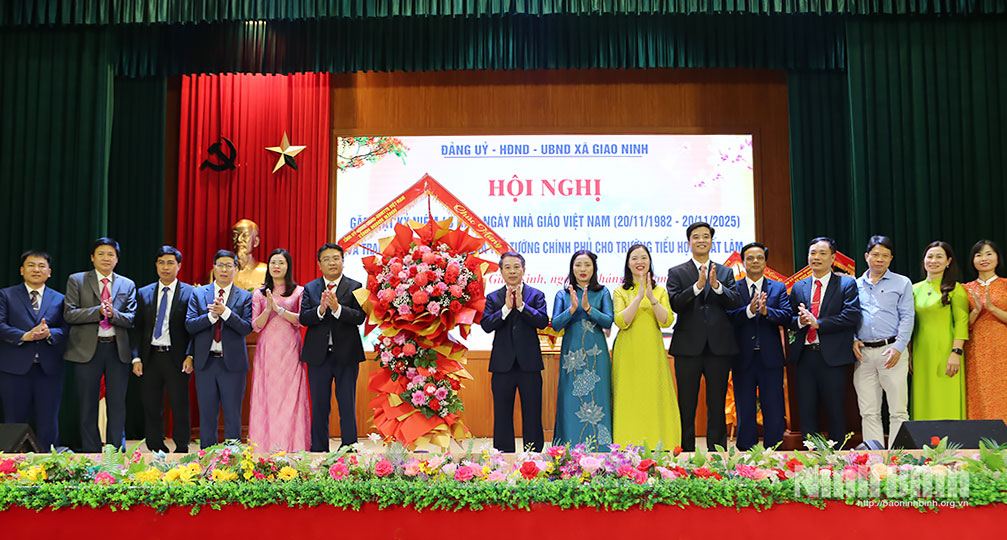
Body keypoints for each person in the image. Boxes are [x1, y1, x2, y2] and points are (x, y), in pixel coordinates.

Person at [666, 221, 741, 451]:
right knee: (686, 403)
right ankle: (685, 451)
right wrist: (697, 287)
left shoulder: (725, 272)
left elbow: (734, 302)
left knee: (717, 403)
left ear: (711, 241)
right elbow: (675, 304)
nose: (701, 240)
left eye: (706, 236)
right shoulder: (677, 272)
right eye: (696, 237)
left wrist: (717, 286)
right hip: (688, 346)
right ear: (689, 242)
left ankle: (717, 451)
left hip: (719, 347)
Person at [64, 238, 137, 452]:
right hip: (87, 350)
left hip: (117, 350)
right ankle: (91, 451)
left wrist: (113, 314)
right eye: (101, 254)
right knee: (88, 405)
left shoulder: (127, 284)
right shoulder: (77, 280)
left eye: (110, 254)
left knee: (117, 405)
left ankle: (116, 452)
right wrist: (97, 312)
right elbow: (69, 313)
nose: (106, 258)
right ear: (92, 257)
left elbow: (131, 318)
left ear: (117, 259)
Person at [788, 237, 861, 445]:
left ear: (833, 257)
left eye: (822, 253)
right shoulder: (799, 287)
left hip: (834, 357)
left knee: (835, 409)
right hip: (805, 356)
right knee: (806, 409)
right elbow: (789, 319)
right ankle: (810, 454)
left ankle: (837, 454)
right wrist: (801, 322)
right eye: (812, 253)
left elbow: (851, 316)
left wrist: (818, 323)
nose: (816, 257)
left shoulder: (846, 284)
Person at [612, 244, 680, 448]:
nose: (639, 262)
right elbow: (621, 321)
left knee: (654, 395)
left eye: (643, 258)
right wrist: (639, 297)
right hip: (628, 351)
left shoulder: (659, 291)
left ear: (650, 262)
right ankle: (627, 442)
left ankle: (659, 442)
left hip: (652, 350)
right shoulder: (620, 291)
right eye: (634, 258)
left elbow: (667, 321)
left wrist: (651, 298)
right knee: (629, 396)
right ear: (628, 263)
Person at [300, 243, 366, 452]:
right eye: (326, 259)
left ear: (343, 261)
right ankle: (319, 450)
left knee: (347, 404)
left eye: (336, 258)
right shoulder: (310, 288)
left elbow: (360, 317)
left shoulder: (355, 286)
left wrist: (338, 309)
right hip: (318, 356)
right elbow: (304, 318)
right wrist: (320, 309)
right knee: (320, 406)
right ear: (319, 264)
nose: (332, 263)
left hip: (347, 355)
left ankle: (349, 449)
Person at [480, 251, 549, 452]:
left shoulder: (536, 295)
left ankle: (534, 457)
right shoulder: (493, 298)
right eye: (507, 267)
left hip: (530, 365)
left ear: (523, 270)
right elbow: (486, 325)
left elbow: (542, 322)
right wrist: (505, 309)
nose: (512, 271)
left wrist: (522, 307)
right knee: (502, 414)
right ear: (501, 271)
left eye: (516, 267)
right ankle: (503, 458)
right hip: (502, 365)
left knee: (533, 414)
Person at [0, 250, 68, 449]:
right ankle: (13, 462)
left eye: (41, 266)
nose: (36, 269)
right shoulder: (6, 295)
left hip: (49, 369)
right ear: (22, 270)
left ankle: (49, 461)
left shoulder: (60, 298)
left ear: (49, 272)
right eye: (31, 265)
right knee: (14, 419)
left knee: (49, 420)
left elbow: (67, 329)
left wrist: (50, 333)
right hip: (14, 369)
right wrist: (25, 335)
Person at [185, 250, 253, 448]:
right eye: (220, 265)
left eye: (229, 266)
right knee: (207, 415)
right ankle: (207, 458)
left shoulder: (245, 296)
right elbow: (190, 325)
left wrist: (226, 313)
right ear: (213, 267)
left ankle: (233, 458)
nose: (224, 269)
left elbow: (246, 328)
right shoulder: (199, 293)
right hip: (206, 363)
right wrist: (211, 317)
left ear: (235, 269)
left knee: (233, 415)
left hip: (233, 364)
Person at [130, 246, 195, 453]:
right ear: (156, 265)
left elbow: (194, 329)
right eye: (161, 263)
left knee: (179, 404)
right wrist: (136, 358)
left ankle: (182, 446)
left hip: (177, 358)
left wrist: (190, 354)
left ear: (179, 266)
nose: (165, 267)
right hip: (150, 357)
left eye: (170, 263)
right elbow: (137, 328)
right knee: (151, 405)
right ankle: (156, 446)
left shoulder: (191, 293)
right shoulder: (144, 293)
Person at [852, 236, 914, 447]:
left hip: (892, 350)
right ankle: (873, 457)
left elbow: (907, 317)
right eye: (876, 255)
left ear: (891, 259)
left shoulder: (902, 282)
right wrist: (852, 339)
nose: (880, 259)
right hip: (863, 354)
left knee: (898, 410)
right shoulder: (854, 285)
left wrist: (899, 348)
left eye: (885, 256)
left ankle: (899, 457)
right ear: (866, 256)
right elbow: (848, 316)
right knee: (868, 411)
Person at [727, 242, 790, 450]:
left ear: (765, 262)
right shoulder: (733, 289)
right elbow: (727, 317)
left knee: (774, 407)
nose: (755, 261)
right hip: (742, 358)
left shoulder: (778, 288)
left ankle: (775, 451)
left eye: (759, 258)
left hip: (770, 358)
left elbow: (787, 316)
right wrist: (748, 310)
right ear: (743, 262)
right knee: (744, 408)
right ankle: (747, 451)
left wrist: (766, 312)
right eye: (750, 258)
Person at [550, 250, 614, 448]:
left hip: (597, 355)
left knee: (599, 398)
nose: (583, 269)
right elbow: (555, 325)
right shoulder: (562, 294)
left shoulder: (602, 292)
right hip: (572, 356)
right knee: (570, 399)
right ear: (572, 268)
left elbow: (608, 321)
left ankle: (601, 448)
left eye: (587, 265)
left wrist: (588, 309)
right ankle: (568, 447)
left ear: (594, 268)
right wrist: (571, 310)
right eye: (578, 265)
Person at [249, 248, 310, 452]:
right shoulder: (259, 293)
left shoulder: (298, 291)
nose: (276, 266)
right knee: (266, 396)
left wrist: (280, 310)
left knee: (290, 397)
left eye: (281, 262)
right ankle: (264, 447)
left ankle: (292, 446)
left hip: (290, 350)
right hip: (267, 351)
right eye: (273, 262)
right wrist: (268, 309)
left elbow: (301, 320)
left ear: (288, 266)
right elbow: (256, 326)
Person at [912, 241, 969, 421]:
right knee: (924, 397)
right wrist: (909, 354)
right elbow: (909, 324)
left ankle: (953, 438)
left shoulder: (956, 289)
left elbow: (962, 322)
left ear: (948, 261)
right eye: (929, 256)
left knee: (946, 398)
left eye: (939, 257)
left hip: (947, 353)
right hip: (921, 353)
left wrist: (956, 352)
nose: (933, 261)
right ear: (924, 260)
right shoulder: (914, 289)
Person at [964, 240, 1007, 423]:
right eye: (979, 254)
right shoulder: (965, 288)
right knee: (977, 392)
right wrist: (976, 311)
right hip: (976, 349)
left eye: (989, 254)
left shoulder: (1005, 284)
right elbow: (962, 325)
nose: (984, 258)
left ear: (997, 257)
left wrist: (992, 309)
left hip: (1002, 348)